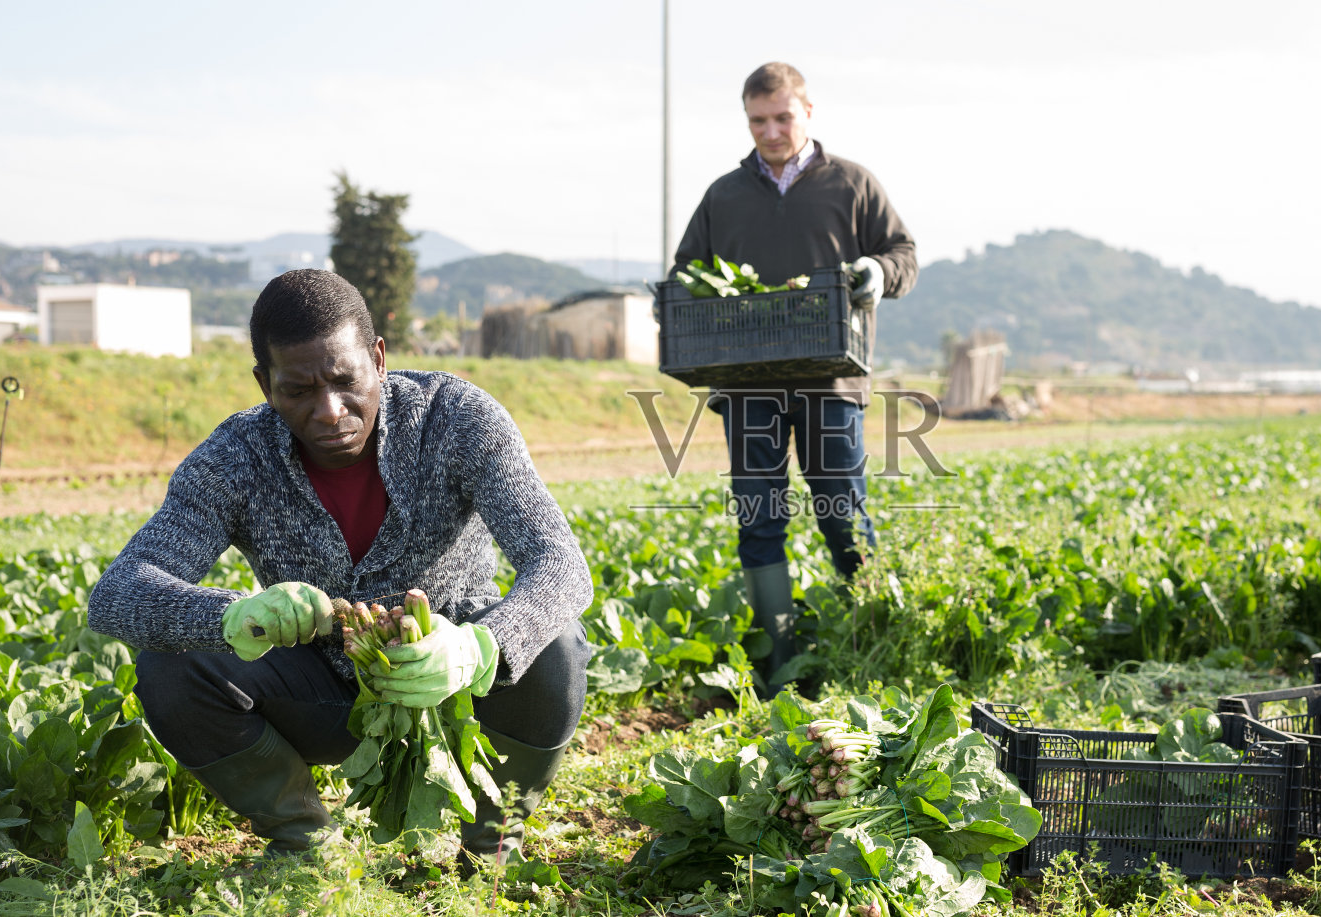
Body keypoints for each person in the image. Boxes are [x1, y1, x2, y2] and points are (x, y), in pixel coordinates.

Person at [88, 269, 594, 865]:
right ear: (265, 384)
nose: (329, 411)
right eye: (298, 390)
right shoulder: (233, 459)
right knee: (170, 665)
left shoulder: (457, 419)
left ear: (378, 358)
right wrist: (235, 615)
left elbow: (560, 563)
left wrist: (479, 648)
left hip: (458, 691)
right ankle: (307, 843)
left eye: (344, 379)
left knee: (555, 644)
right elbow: (117, 592)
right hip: (325, 695)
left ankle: (490, 843)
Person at [672, 62, 917, 694]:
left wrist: (877, 274)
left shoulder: (852, 184)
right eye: (759, 120)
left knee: (842, 513)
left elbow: (903, 254)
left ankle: (863, 640)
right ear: (748, 120)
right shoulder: (723, 195)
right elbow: (686, 273)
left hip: (831, 381)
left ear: (808, 112)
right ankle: (778, 661)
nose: (772, 131)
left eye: (783, 117)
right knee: (759, 519)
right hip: (748, 384)